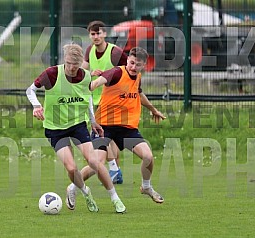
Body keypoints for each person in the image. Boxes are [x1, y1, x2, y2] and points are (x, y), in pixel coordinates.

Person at [26, 43, 126, 213]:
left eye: (76, 64)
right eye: (69, 63)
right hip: (55, 129)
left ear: (81, 63)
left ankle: (115, 198)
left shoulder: (86, 76)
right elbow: (30, 90)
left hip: (78, 125)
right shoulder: (52, 73)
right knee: (72, 168)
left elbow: (86, 98)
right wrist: (36, 106)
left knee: (94, 162)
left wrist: (93, 121)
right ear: (65, 60)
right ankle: (86, 193)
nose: (72, 68)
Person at [81, 47, 166, 203]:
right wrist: (87, 84)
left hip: (126, 129)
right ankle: (73, 186)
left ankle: (146, 186)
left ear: (144, 65)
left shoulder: (137, 77)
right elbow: (93, 85)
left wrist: (153, 110)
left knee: (148, 157)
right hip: (103, 126)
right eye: (131, 63)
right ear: (127, 60)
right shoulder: (116, 72)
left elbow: (139, 94)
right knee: (97, 164)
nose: (133, 67)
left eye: (137, 65)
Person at [81, 20, 128, 184]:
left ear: (105, 34)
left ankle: (114, 169)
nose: (96, 36)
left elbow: (127, 73)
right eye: (93, 34)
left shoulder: (115, 52)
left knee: (102, 135)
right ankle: (116, 173)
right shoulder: (89, 51)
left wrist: (108, 75)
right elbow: (82, 73)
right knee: (111, 137)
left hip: (113, 99)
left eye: (98, 33)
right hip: (96, 100)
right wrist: (91, 74)